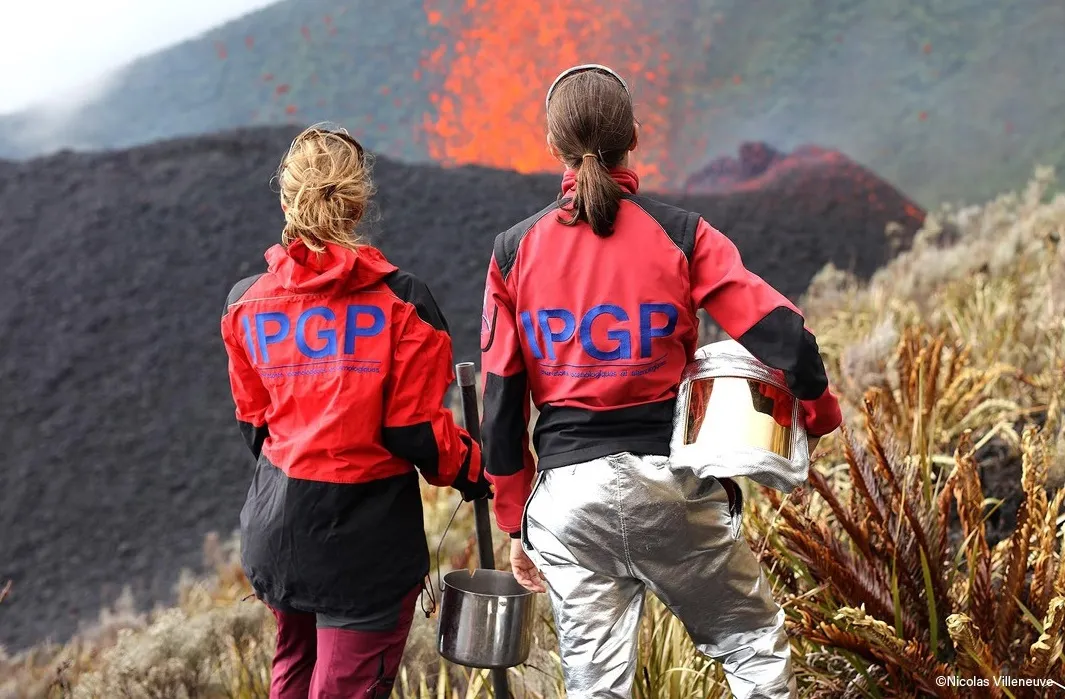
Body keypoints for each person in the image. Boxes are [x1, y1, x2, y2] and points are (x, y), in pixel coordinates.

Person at [479, 65, 842, 699]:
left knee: (595, 688)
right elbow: (783, 334)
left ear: (554, 145)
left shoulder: (513, 252)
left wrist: (515, 521)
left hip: (567, 505)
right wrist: (820, 411)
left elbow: (501, 405)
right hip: (669, 485)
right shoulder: (682, 234)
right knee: (751, 646)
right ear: (634, 137)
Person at [221, 124, 491, 699]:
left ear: (287, 200)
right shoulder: (404, 303)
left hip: (277, 529)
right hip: (364, 543)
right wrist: (474, 468)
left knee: (293, 669)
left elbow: (255, 427)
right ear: (358, 203)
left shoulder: (244, 303)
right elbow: (415, 432)